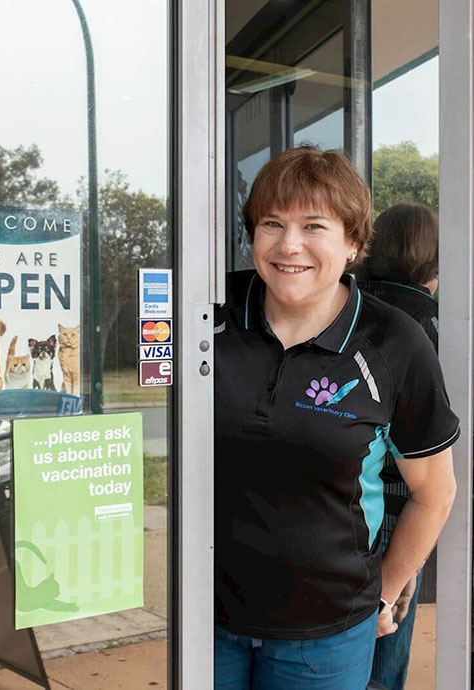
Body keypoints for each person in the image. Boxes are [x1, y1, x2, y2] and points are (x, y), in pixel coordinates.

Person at [214, 147, 459, 690]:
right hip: (206, 620)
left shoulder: (394, 341)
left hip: (326, 632)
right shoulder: (209, 313)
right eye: (272, 223)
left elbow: (435, 492)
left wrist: (385, 591)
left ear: (353, 243)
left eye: (314, 226)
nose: (289, 244)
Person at [359, 202, 440, 690]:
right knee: (384, 662)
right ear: (433, 261)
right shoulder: (436, 330)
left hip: (343, 509)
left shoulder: (346, 311)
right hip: (407, 510)